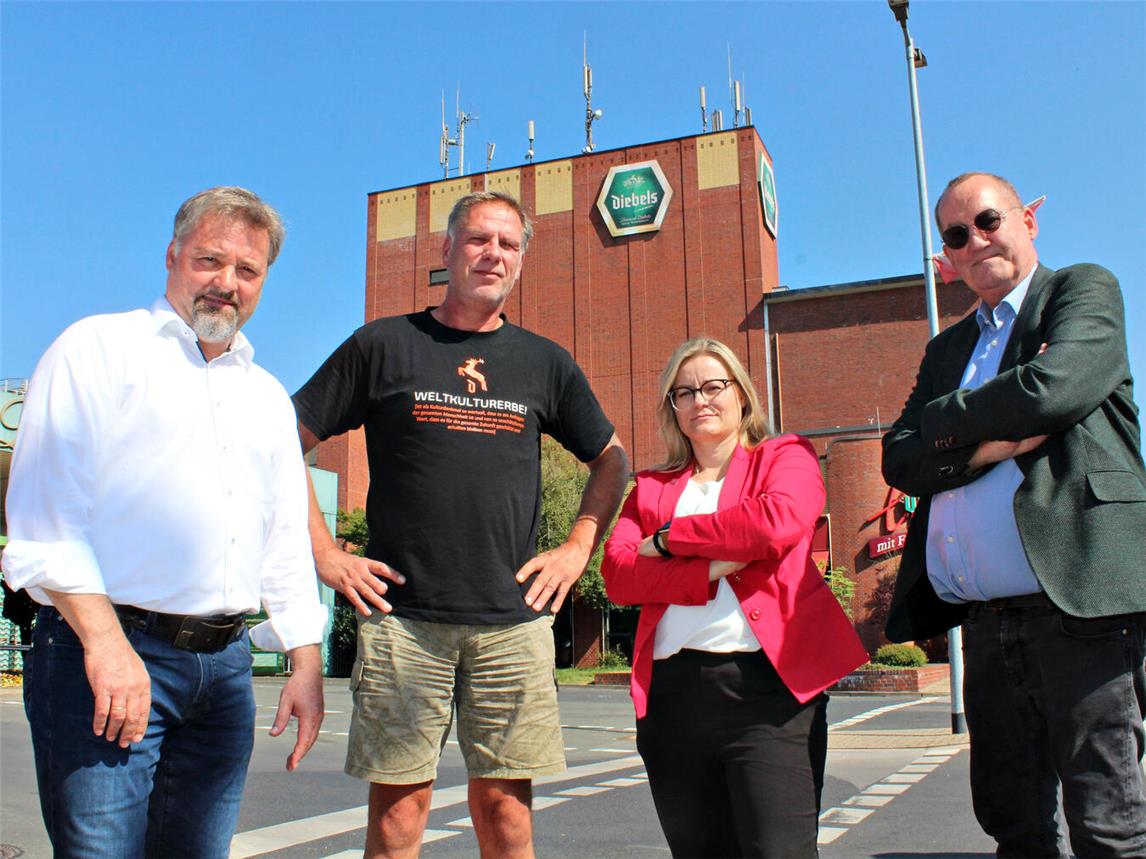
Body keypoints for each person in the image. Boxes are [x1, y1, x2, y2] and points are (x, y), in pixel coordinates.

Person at [293, 190, 628, 858]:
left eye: (508, 244)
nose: (493, 254)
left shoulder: (545, 362)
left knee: (507, 813)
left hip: (511, 621)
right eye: (478, 239)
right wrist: (324, 552)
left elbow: (612, 459)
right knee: (399, 816)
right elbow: (282, 441)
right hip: (404, 620)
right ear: (447, 250)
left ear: (521, 260)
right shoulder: (383, 345)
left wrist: (577, 546)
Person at [1, 186, 329, 858]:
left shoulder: (267, 397)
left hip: (225, 671)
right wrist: (106, 644)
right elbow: (45, 520)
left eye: (247, 270)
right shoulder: (97, 350)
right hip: (108, 651)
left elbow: (283, 538)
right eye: (210, 260)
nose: (227, 283)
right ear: (173, 254)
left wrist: (305, 657)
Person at [883, 172, 1146, 857]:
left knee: (1107, 824)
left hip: (1080, 608)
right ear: (947, 254)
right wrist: (991, 443)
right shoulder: (946, 349)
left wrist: (943, 423)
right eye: (956, 234)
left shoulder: (1082, 291)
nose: (975, 241)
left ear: (1028, 220)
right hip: (986, 623)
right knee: (1014, 824)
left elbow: (1053, 390)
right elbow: (900, 458)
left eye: (988, 220)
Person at [602, 337, 868, 858]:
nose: (699, 400)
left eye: (712, 386)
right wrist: (710, 570)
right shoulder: (650, 486)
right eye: (684, 392)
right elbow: (618, 574)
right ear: (673, 408)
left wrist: (668, 540)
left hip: (768, 693)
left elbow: (776, 523)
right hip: (672, 699)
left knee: (779, 852)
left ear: (741, 394)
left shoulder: (784, 456)